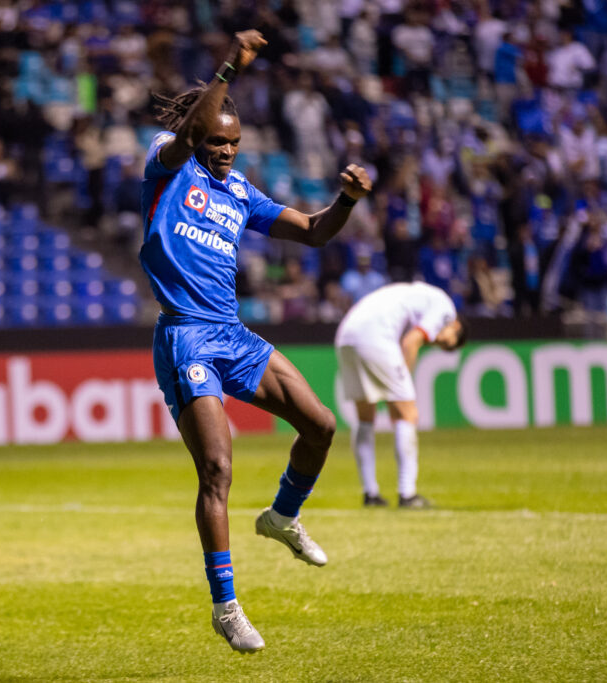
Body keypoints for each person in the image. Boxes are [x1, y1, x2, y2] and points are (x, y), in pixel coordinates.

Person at [139, 30, 372, 654]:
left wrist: (344, 201)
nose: (225, 152)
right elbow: (188, 134)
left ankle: (283, 517)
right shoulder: (167, 164)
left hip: (233, 334)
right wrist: (229, 68)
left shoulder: (240, 193)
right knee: (216, 466)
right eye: (218, 142)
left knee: (321, 426)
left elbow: (315, 232)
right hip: (186, 336)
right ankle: (226, 606)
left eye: (234, 144)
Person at [334, 282, 467, 508]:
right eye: (445, 341)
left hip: (346, 335)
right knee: (408, 415)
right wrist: (403, 385)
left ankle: (371, 494)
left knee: (365, 418)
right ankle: (408, 494)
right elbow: (411, 341)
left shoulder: (415, 294)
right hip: (374, 336)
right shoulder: (446, 308)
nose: (436, 341)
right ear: (455, 324)